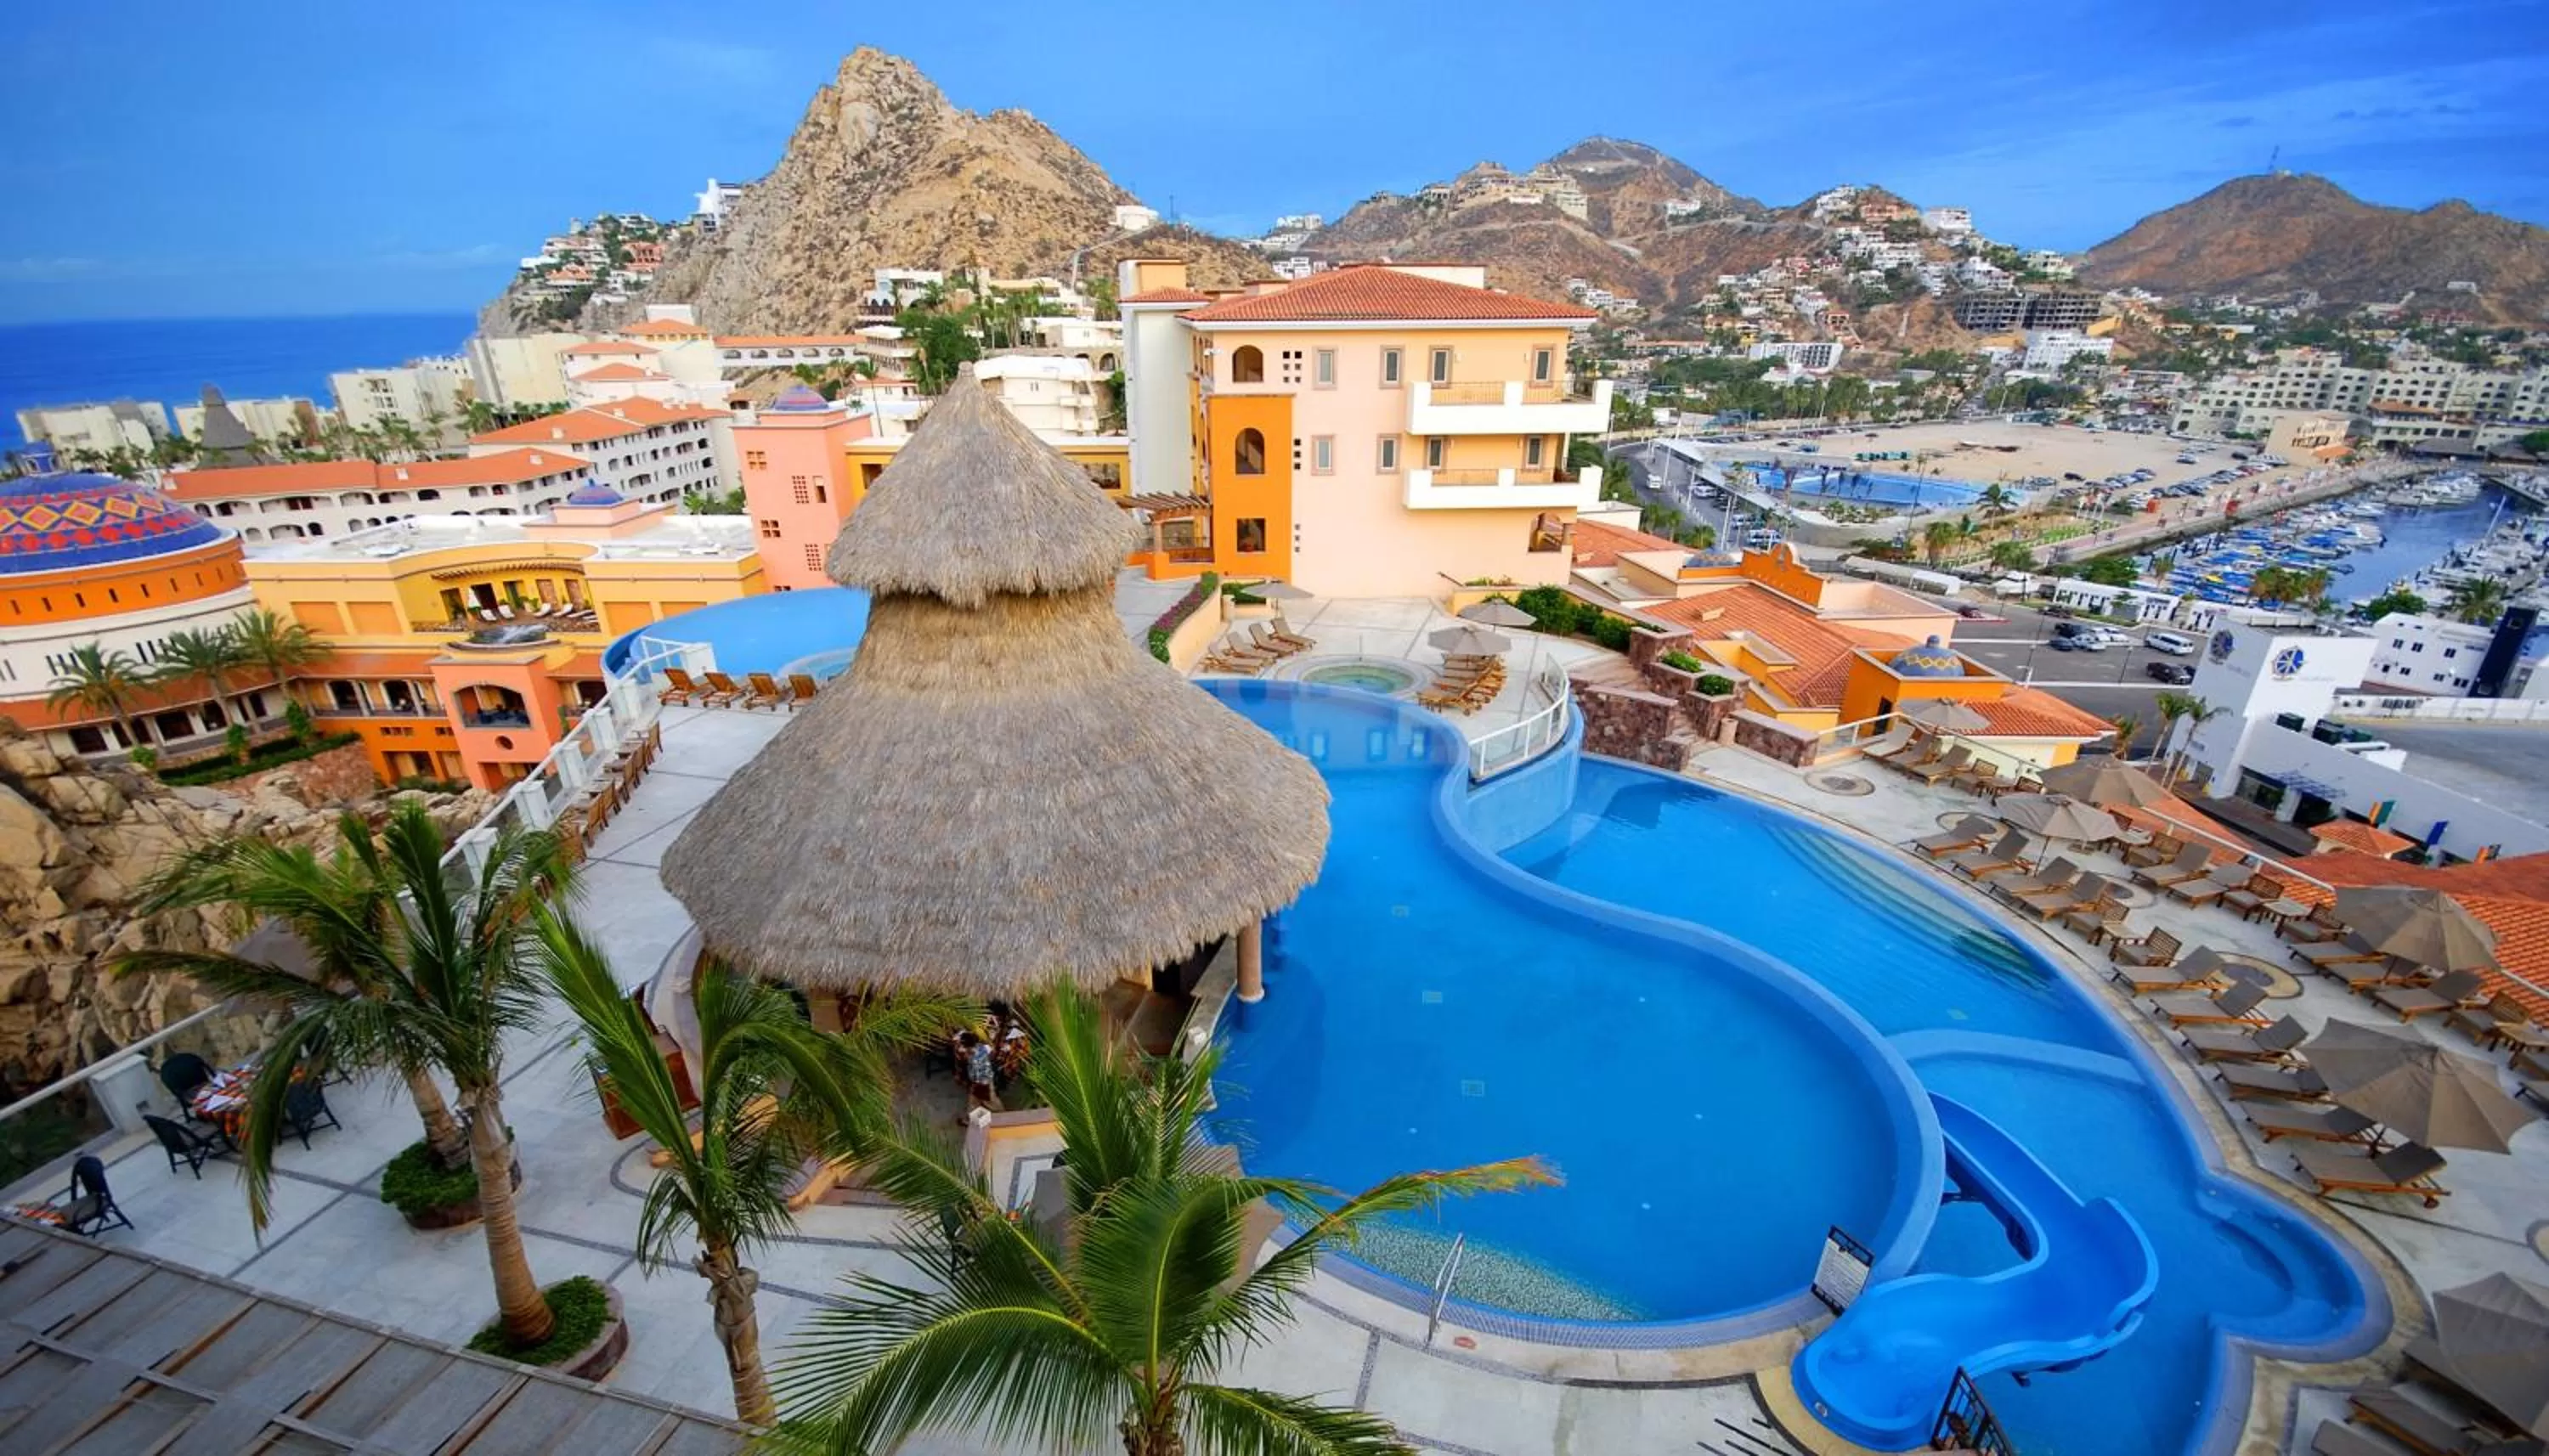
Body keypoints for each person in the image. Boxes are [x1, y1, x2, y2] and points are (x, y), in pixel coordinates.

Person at [957, 1030, 998, 1120]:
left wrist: (973, 1083)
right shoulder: (983, 1047)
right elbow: (991, 1050)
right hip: (988, 1078)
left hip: (981, 1083)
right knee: (975, 1102)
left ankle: (1003, 1115)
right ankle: (969, 1119)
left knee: (989, 1101)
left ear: (966, 1046)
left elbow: (974, 1076)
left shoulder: (973, 1059)